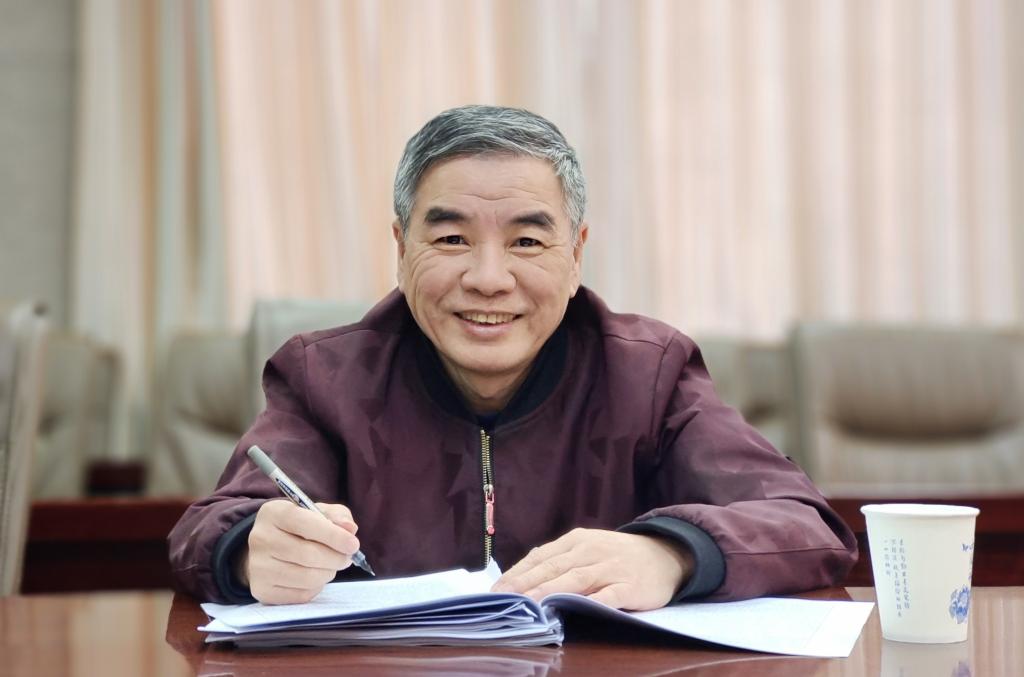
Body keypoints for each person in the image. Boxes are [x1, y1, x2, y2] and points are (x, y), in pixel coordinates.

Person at [168, 105, 857, 608]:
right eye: (452, 240)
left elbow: (806, 523)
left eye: (527, 242)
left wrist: (671, 553)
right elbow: (203, 530)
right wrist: (250, 549)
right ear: (401, 248)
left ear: (576, 253)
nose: (489, 278)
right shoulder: (325, 378)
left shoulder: (648, 373)